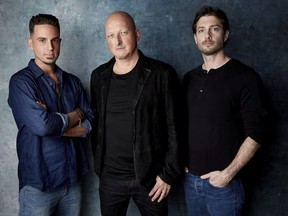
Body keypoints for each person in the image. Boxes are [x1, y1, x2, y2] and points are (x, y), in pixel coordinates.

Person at [90, 11, 181, 216]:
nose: (118, 41)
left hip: (150, 178)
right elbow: (97, 126)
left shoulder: (162, 74)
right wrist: (101, 168)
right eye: (111, 35)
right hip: (110, 178)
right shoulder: (99, 76)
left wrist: (167, 175)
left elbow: (175, 127)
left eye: (123, 32)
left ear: (137, 34)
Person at [182, 6, 267, 216]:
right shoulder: (188, 79)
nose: (207, 35)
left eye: (214, 29)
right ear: (195, 37)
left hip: (224, 187)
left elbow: (257, 132)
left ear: (226, 34)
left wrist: (227, 174)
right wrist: (184, 165)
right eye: (201, 30)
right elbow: (183, 125)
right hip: (191, 183)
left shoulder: (245, 77)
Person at [8, 14, 94, 216]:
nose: (50, 47)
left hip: (72, 181)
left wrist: (54, 123)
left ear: (60, 42)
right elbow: (42, 126)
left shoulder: (73, 82)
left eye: (55, 40)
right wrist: (73, 116)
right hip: (39, 185)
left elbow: (92, 119)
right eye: (42, 40)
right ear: (30, 43)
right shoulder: (21, 82)